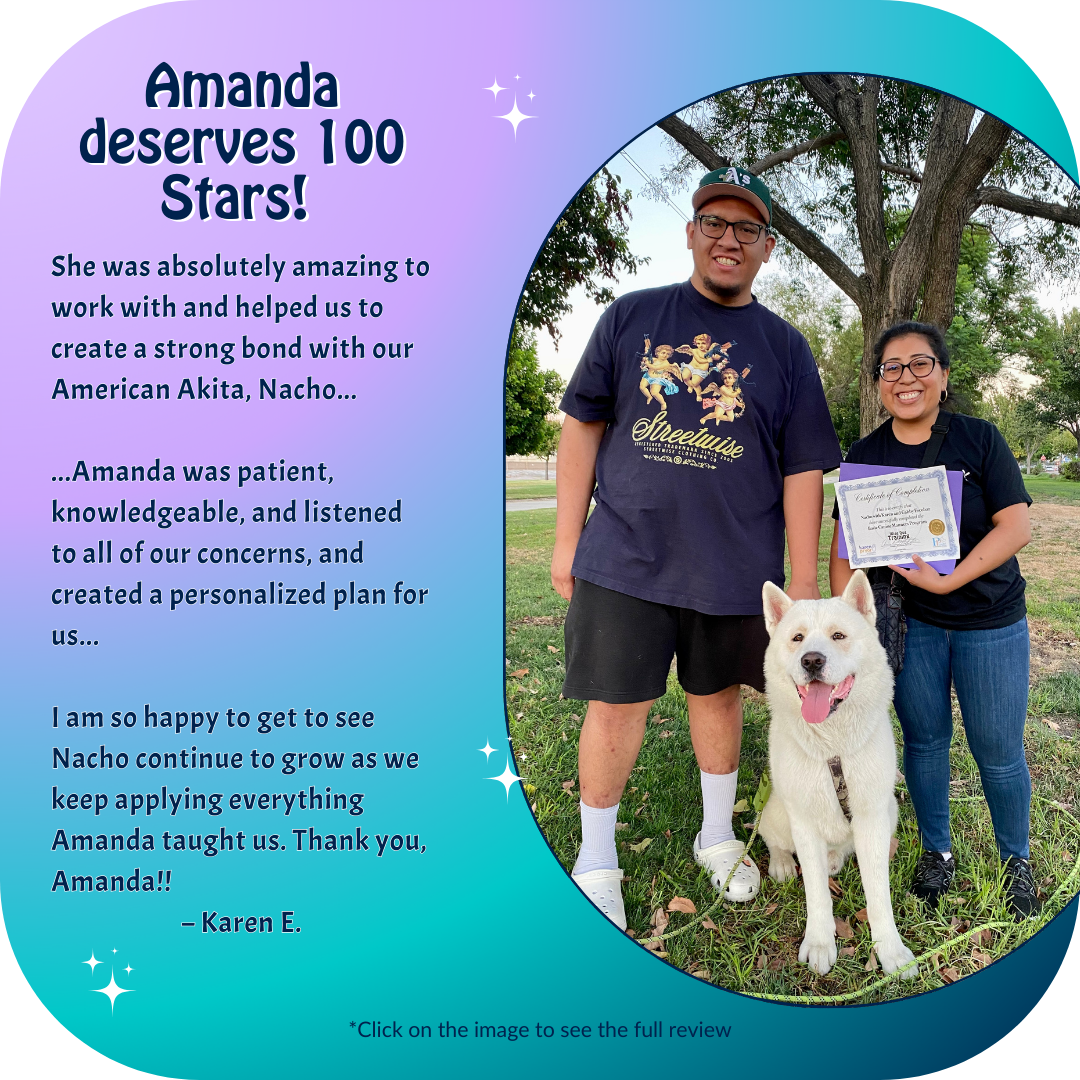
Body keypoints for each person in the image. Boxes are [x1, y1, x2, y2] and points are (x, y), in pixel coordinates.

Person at [552, 166, 842, 929]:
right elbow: (581, 424)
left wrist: (805, 593)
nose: (728, 239)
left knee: (716, 698)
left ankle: (718, 839)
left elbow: (804, 466)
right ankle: (596, 858)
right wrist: (564, 541)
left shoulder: (784, 347)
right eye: (714, 221)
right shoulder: (632, 318)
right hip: (624, 558)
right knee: (616, 707)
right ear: (690, 232)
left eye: (747, 228)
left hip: (735, 568)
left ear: (767, 247)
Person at [828, 322, 1038, 921]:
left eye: (920, 365)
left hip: (989, 619)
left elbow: (1016, 527)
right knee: (924, 743)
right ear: (878, 384)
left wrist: (950, 578)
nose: (906, 378)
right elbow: (846, 547)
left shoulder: (980, 440)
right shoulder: (865, 456)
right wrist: (848, 618)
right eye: (891, 368)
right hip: (910, 624)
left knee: (997, 751)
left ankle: (1016, 858)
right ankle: (936, 852)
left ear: (943, 377)